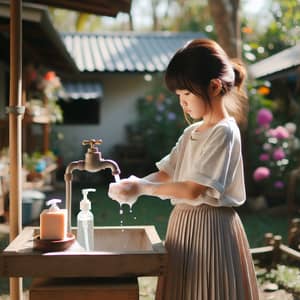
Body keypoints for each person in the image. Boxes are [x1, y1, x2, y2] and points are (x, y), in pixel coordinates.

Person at [108, 38, 259, 300]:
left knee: (207, 290)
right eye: (179, 96)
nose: (182, 102)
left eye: (187, 94)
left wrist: (144, 187)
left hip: (212, 231)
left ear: (213, 87)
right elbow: (167, 173)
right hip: (183, 226)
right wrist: (134, 184)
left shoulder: (224, 132)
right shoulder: (192, 133)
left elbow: (192, 189)